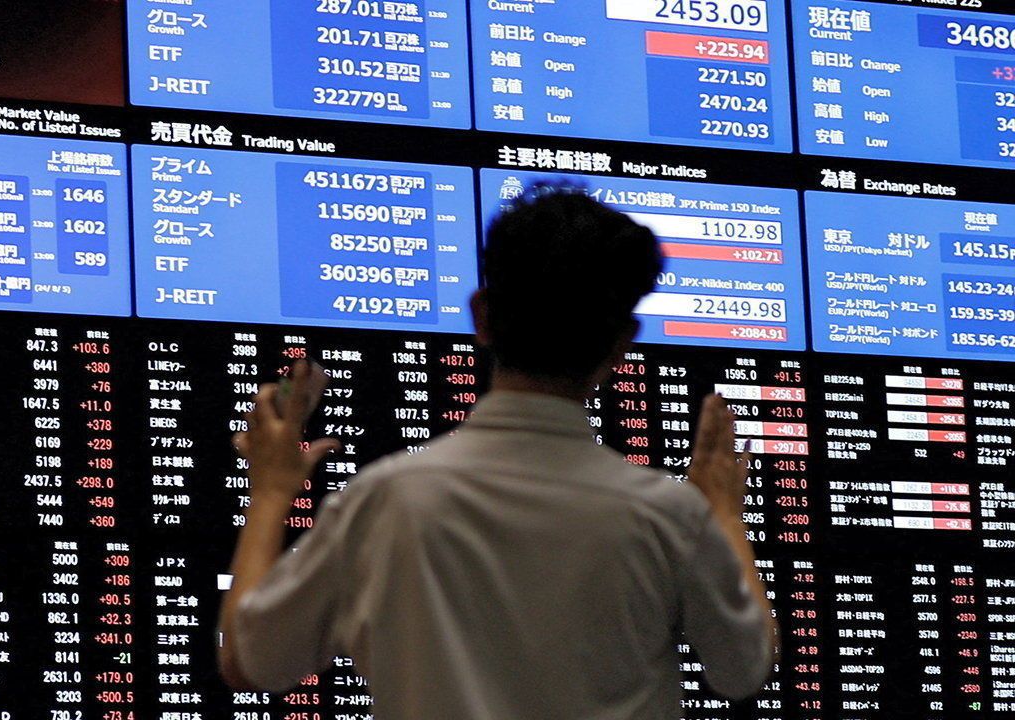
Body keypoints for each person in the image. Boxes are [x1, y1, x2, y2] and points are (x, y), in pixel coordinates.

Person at [218, 184, 778, 719]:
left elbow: (251, 662)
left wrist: (269, 491)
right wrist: (724, 513)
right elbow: (743, 668)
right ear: (622, 342)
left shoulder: (385, 501)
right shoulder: (669, 515)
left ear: (481, 315)